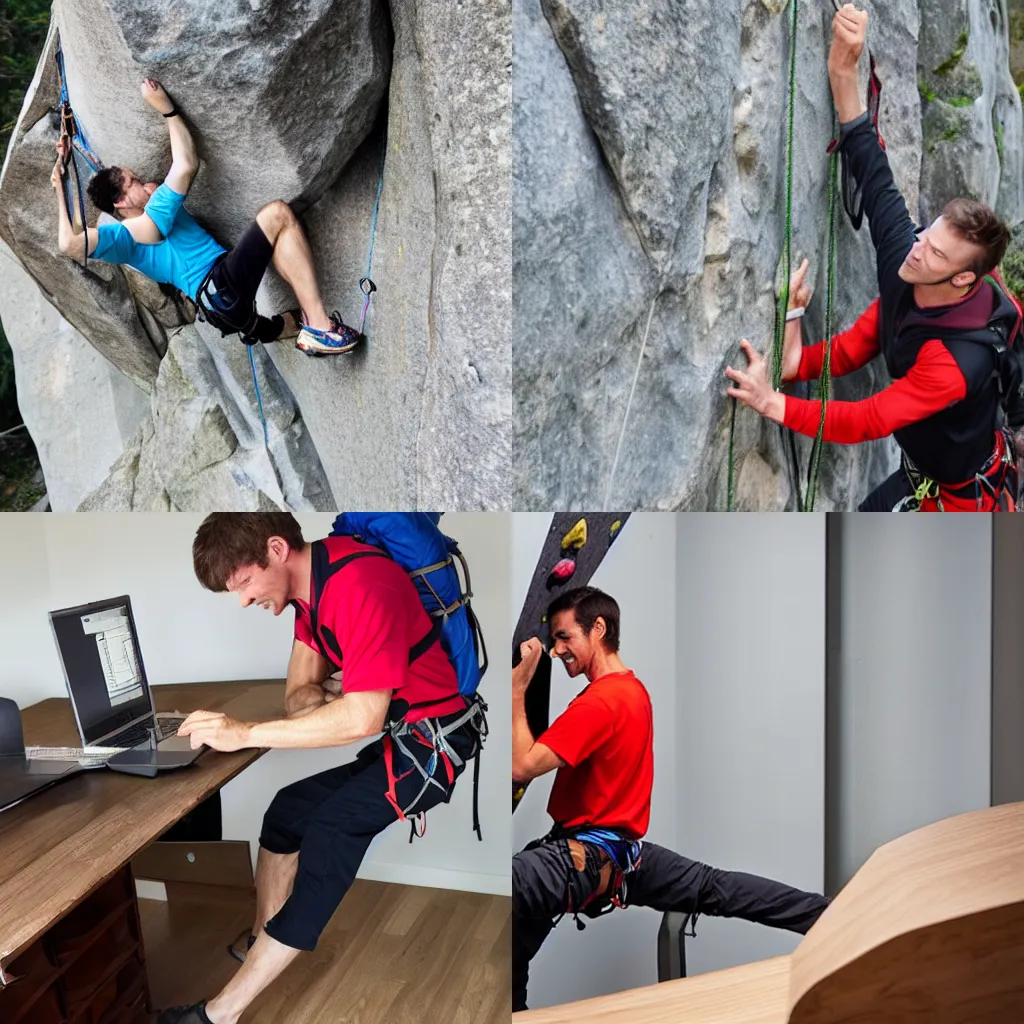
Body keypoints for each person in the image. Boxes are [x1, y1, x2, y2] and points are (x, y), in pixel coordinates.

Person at [156, 513, 487, 1024]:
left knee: (330, 831)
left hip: (433, 747)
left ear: (276, 549)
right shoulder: (311, 592)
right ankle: (263, 945)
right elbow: (297, 698)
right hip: (403, 738)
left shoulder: (359, 583)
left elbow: (361, 717)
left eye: (244, 583)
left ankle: (219, 1014)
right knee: (287, 813)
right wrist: (336, 697)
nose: (243, 601)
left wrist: (244, 732)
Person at [725, 4, 1023, 511]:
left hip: (958, 499)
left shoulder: (955, 362)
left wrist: (769, 402)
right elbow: (872, 165)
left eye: (935, 252)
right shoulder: (913, 257)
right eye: (928, 233)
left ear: (963, 280)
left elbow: (868, 419)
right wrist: (845, 66)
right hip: (928, 466)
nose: (918, 246)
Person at [511, 586, 829, 1013]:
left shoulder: (601, 701)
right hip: (625, 857)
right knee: (719, 888)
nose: (555, 649)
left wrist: (516, 689)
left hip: (582, 858)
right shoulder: (634, 691)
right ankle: (831, 915)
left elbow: (523, 765)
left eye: (564, 636)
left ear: (599, 628)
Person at [50, 79, 360, 356]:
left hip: (218, 307)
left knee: (279, 260)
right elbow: (185, 164)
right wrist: (166, 110)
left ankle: (275, 328)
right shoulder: (131, 230)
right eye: (135, 181)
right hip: (220, 286)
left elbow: (74, 235)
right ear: (122, 201)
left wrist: (62, 179)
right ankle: (319, 327)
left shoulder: (128, 242)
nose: (145, 182)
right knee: (277, 214)